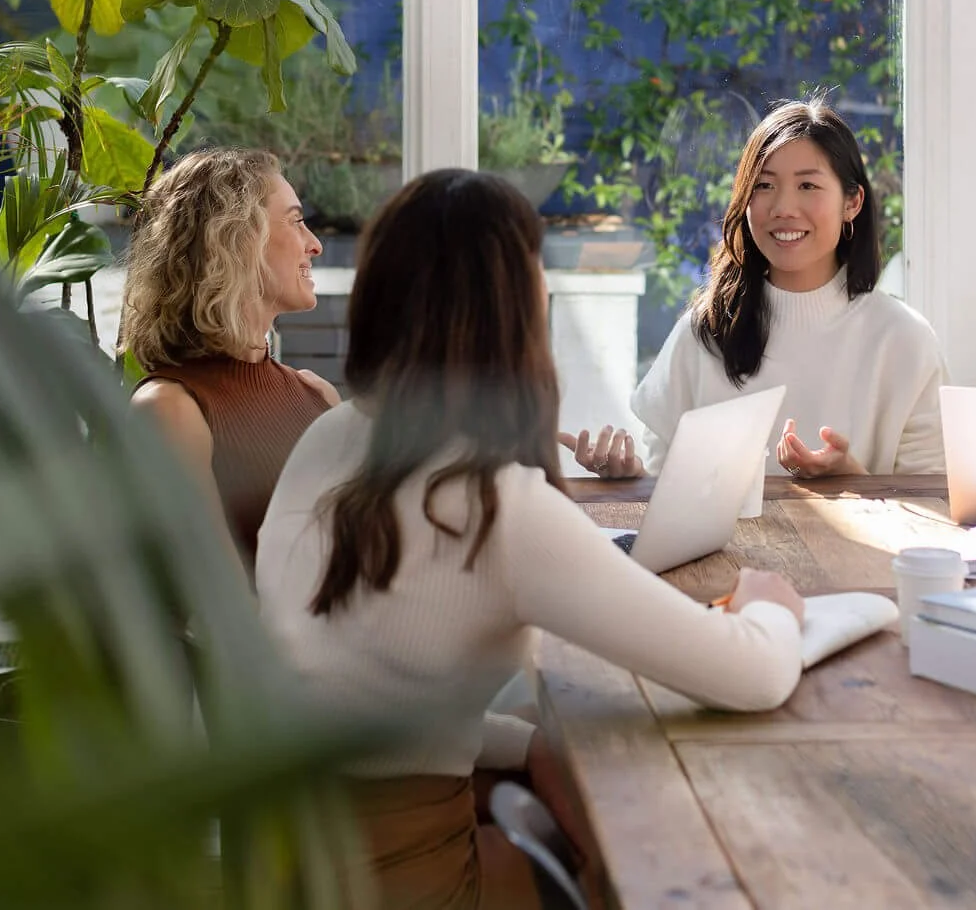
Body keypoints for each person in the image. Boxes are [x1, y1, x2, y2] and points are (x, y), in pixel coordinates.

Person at [256, 169, 805, 910]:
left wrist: (525, 747)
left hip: (294, 863)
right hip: (405, 882)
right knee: (676, 840)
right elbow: (756, 675)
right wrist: (773, 605)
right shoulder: (491, 503)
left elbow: (356, 688)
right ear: (511, 311)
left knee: (575, 777)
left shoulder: (329, 437)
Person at [586, 98, 946, 480]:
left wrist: (853, 481)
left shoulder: (904, 339)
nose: (783, 207)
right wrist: (628, 480)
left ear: (852, 202)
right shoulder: (705, 331)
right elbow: (665, 487)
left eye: (807, 185)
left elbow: (933, 504)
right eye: (764, 185)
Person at [124, 147, 338, 569]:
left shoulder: (318, 396)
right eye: (296, 222)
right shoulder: (169, 410)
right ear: (236, 240)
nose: (314, 245)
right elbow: (217, 606)